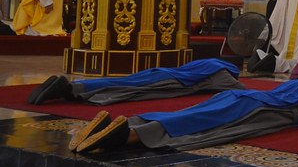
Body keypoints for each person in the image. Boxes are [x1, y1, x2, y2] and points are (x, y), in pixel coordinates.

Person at [69, 78, 298, 154]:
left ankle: (122, 123)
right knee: (193, 124)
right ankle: (128, 135)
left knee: (188, 112)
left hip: (240, 96)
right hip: (255, 108)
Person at [27, 58, 243, 106]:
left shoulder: (211, 62)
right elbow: (239, 90)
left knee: (122, 81)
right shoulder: (224, 73)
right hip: (169, 80)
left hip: (162, 72)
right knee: (122, 86)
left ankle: (68, 86)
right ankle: (70, 88)